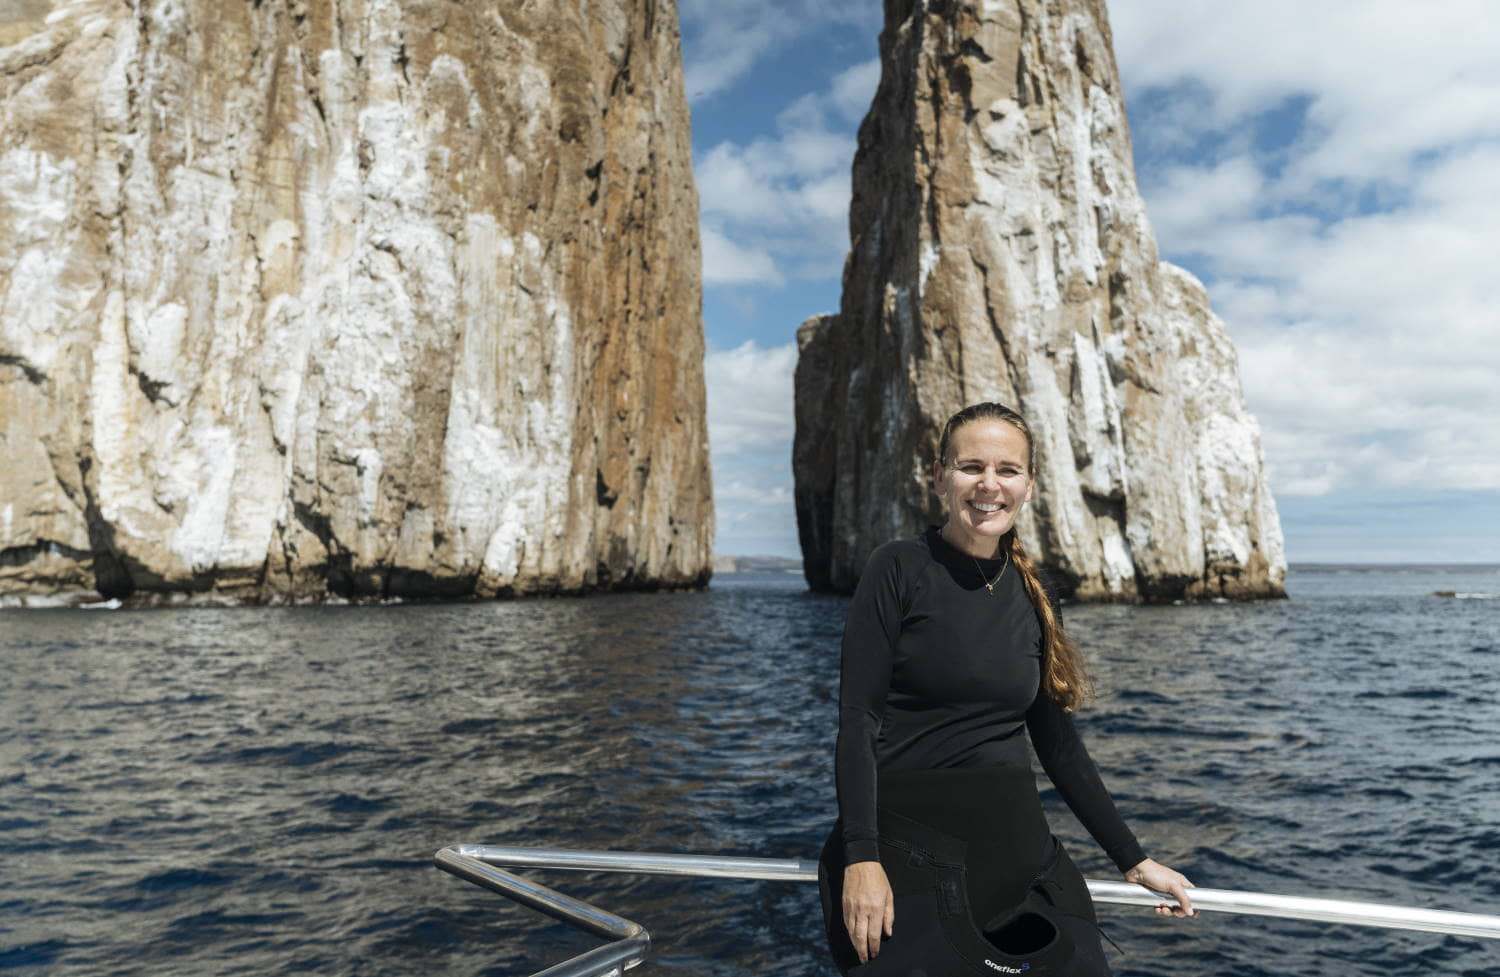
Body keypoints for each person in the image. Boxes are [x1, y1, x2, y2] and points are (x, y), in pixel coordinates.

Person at [818, 402, 1196, 976]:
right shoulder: (896, 569)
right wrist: (861, 860)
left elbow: (1057, 741)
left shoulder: (1035, 587)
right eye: (971, 467)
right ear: (940, 476)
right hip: (908, 861)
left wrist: (1133, 859)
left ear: (1029, 485)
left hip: (1025, 864)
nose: (988, 485)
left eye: (1007, 470)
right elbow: (858, 723)